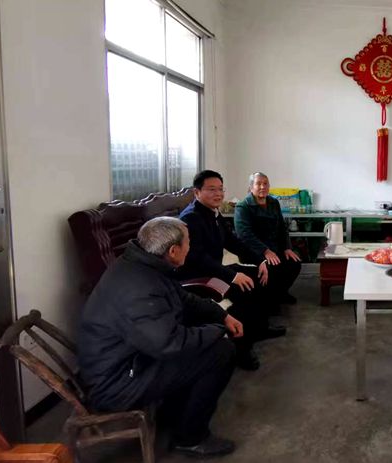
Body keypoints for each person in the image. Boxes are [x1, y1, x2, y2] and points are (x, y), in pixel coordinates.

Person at [78, 217, 241, 458]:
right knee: (221, 352)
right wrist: (218, 330)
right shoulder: (139, 287)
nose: (190, 248)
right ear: (173, 251)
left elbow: (182, 298)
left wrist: (221, 315)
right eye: (188, 243)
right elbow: (171, 344)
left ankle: (174, 414)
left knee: (204, 336)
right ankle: (191, 438)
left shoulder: (142, 264)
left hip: (129, 360)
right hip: (117, 384)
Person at [178, 170, 285, 371]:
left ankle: (259, 328)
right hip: (198, 276)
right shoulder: (191, 218)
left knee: (259, 274)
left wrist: (260, 260)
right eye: (212, 189)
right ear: (197, 192)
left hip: (213, 269)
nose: (218, 194)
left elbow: (233, 242)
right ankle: (241, 349)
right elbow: (198, 259)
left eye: (220, 189)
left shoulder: (213, 213)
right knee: (244, 287)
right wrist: (233, 276)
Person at [234, 172, 302, 304]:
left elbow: (282, 227)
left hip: (275, 249)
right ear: (251, 187)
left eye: (265, 184)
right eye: (258, 184)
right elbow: (244, 234)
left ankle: (281, 293)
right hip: (254, 251)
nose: (262, 187)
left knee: (294, 263)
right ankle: (269, 300)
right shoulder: (243, 206)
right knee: (272, 268)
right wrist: (265, 251)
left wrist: (287, 248)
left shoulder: (273, 202)